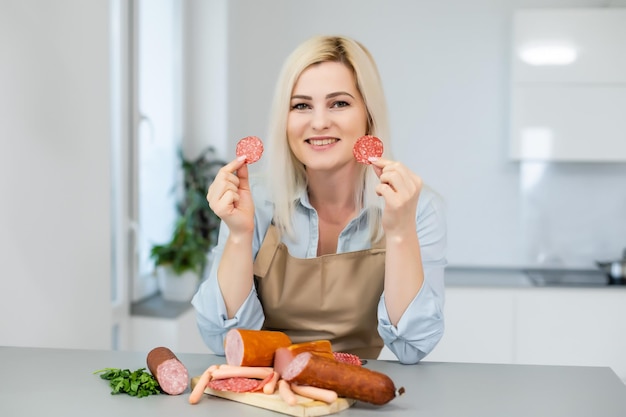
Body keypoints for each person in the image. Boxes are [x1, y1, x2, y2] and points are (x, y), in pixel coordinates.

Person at [191, 35, 446, 364]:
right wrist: (239, 235)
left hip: (357, 392)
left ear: (368, 114)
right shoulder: (254, 200)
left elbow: (412, 346)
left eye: (339, 103)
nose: (320, 122)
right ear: (285, 120)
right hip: (266, 395)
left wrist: (399, 233)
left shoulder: (415, 206)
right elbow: (221, 339)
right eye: (301, 105)